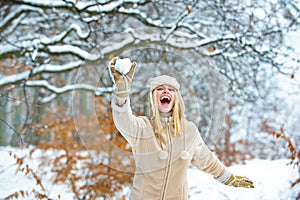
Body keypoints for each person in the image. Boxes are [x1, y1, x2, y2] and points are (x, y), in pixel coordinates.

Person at [108, 57, 254, 200]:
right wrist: (122, 94)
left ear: (176, 97)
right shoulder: (142, 128)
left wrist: (229, 178)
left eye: (170, 89)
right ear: (153, 98)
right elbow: (123, 120)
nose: (165, 91)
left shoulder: (189, 131)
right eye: (160, 89)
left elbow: (206, 160)